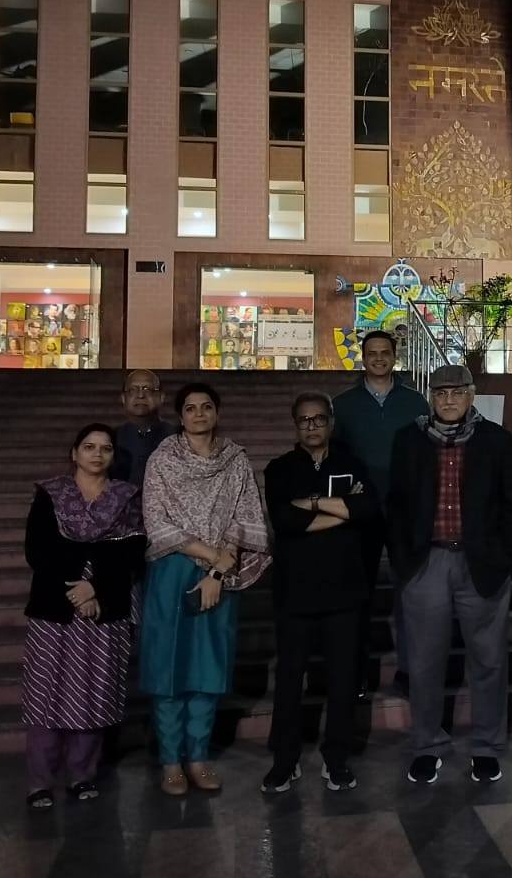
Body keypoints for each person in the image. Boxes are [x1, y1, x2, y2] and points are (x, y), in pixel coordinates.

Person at [386, 364, 512, 785]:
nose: (448, 400)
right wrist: (405, 561)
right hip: (426, 563)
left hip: (481, 564)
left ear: (471, 395)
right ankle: (427, 746)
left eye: (457, 392)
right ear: (431, 397)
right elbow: (396, 505)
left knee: (489, 661)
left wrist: (502, 557)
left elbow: (511, 507)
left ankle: (486, 748)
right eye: (441, 393)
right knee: (424, 662)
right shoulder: (409, 439)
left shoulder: (495, 440)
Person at [141, 382, 271, 796]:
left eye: (206, 407)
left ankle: (198, 757)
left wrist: (217, 572)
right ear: (180, 417)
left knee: (207, 667)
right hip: (172, 570)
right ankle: (170, 761)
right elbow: (155, 521)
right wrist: (208, 555)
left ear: (217, 412)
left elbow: (246, 516)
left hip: (220, 576)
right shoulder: (162, 459)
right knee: (168, 667)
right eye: (191, 408)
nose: (199, 414)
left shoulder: (235, 460)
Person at [21, 423, 146, 808]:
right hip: (54, 608)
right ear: (74, 453)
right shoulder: (51, 495)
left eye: (105, 448)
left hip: (105, 610)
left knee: (95, 691)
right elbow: (38, 550)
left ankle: (82, 775)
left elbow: (132, 553)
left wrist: (96, 589)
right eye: (89, 447)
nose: (97, 454)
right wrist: (77, 590)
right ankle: (40, 781)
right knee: (46, 693)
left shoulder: (126, 498)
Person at [261, 392, 379, 793]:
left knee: (343, 679)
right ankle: (285, 759)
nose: (312, 426)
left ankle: (337, 758)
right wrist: (340, 511)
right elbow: (284, 521)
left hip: (345, 589)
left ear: (330, 421)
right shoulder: (280, 468)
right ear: (295, 425)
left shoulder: (351, 463)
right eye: (304, 420)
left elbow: (367, 510)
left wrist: (310, 505)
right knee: (290, 678)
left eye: (319, 419)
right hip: (295, 590)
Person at [332, 330, 430, 698]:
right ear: (363, 357)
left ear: (394, 356)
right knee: (358, 594)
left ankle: (410, 671)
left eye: (384, 352)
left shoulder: (415, 402)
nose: (378, 358)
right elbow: (335, 458)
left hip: (405, 511)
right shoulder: (343, 405)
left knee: (413, 594)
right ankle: (357, 672)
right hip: (361, 512)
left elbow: (426, 453)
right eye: (371, 353)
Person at [109, 369, 176, 486]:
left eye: (147, 389)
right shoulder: (110, 438)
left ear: (161, 397)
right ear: (123, 398)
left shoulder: (177, 437)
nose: (140, 395)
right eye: (133, 390)